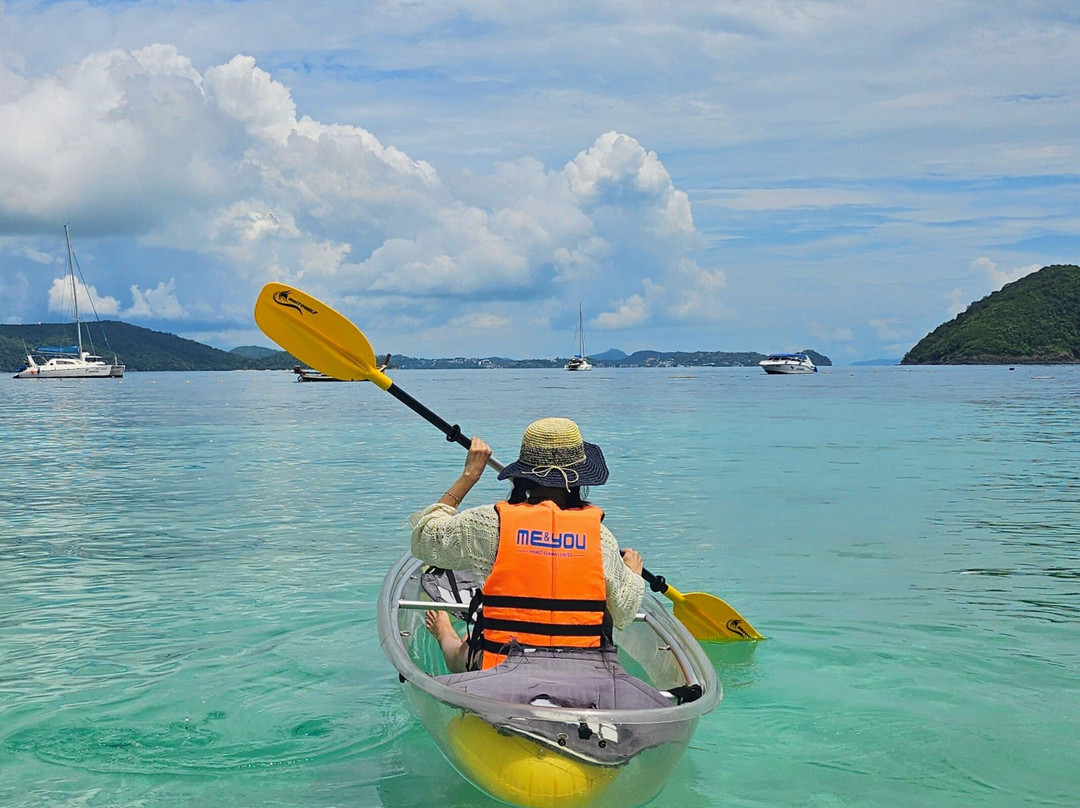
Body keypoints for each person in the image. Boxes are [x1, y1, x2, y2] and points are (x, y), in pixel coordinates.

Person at [410, 417, 645, 674]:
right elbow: (623, 613)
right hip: (580, 673)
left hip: (504, 668)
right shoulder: (601, 538)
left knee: (464, 648)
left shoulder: (488, 523)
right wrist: (632, 573)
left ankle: (446, 635)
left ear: (523, 476)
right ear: (579, 480)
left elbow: (424, 540)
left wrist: (469, 476)